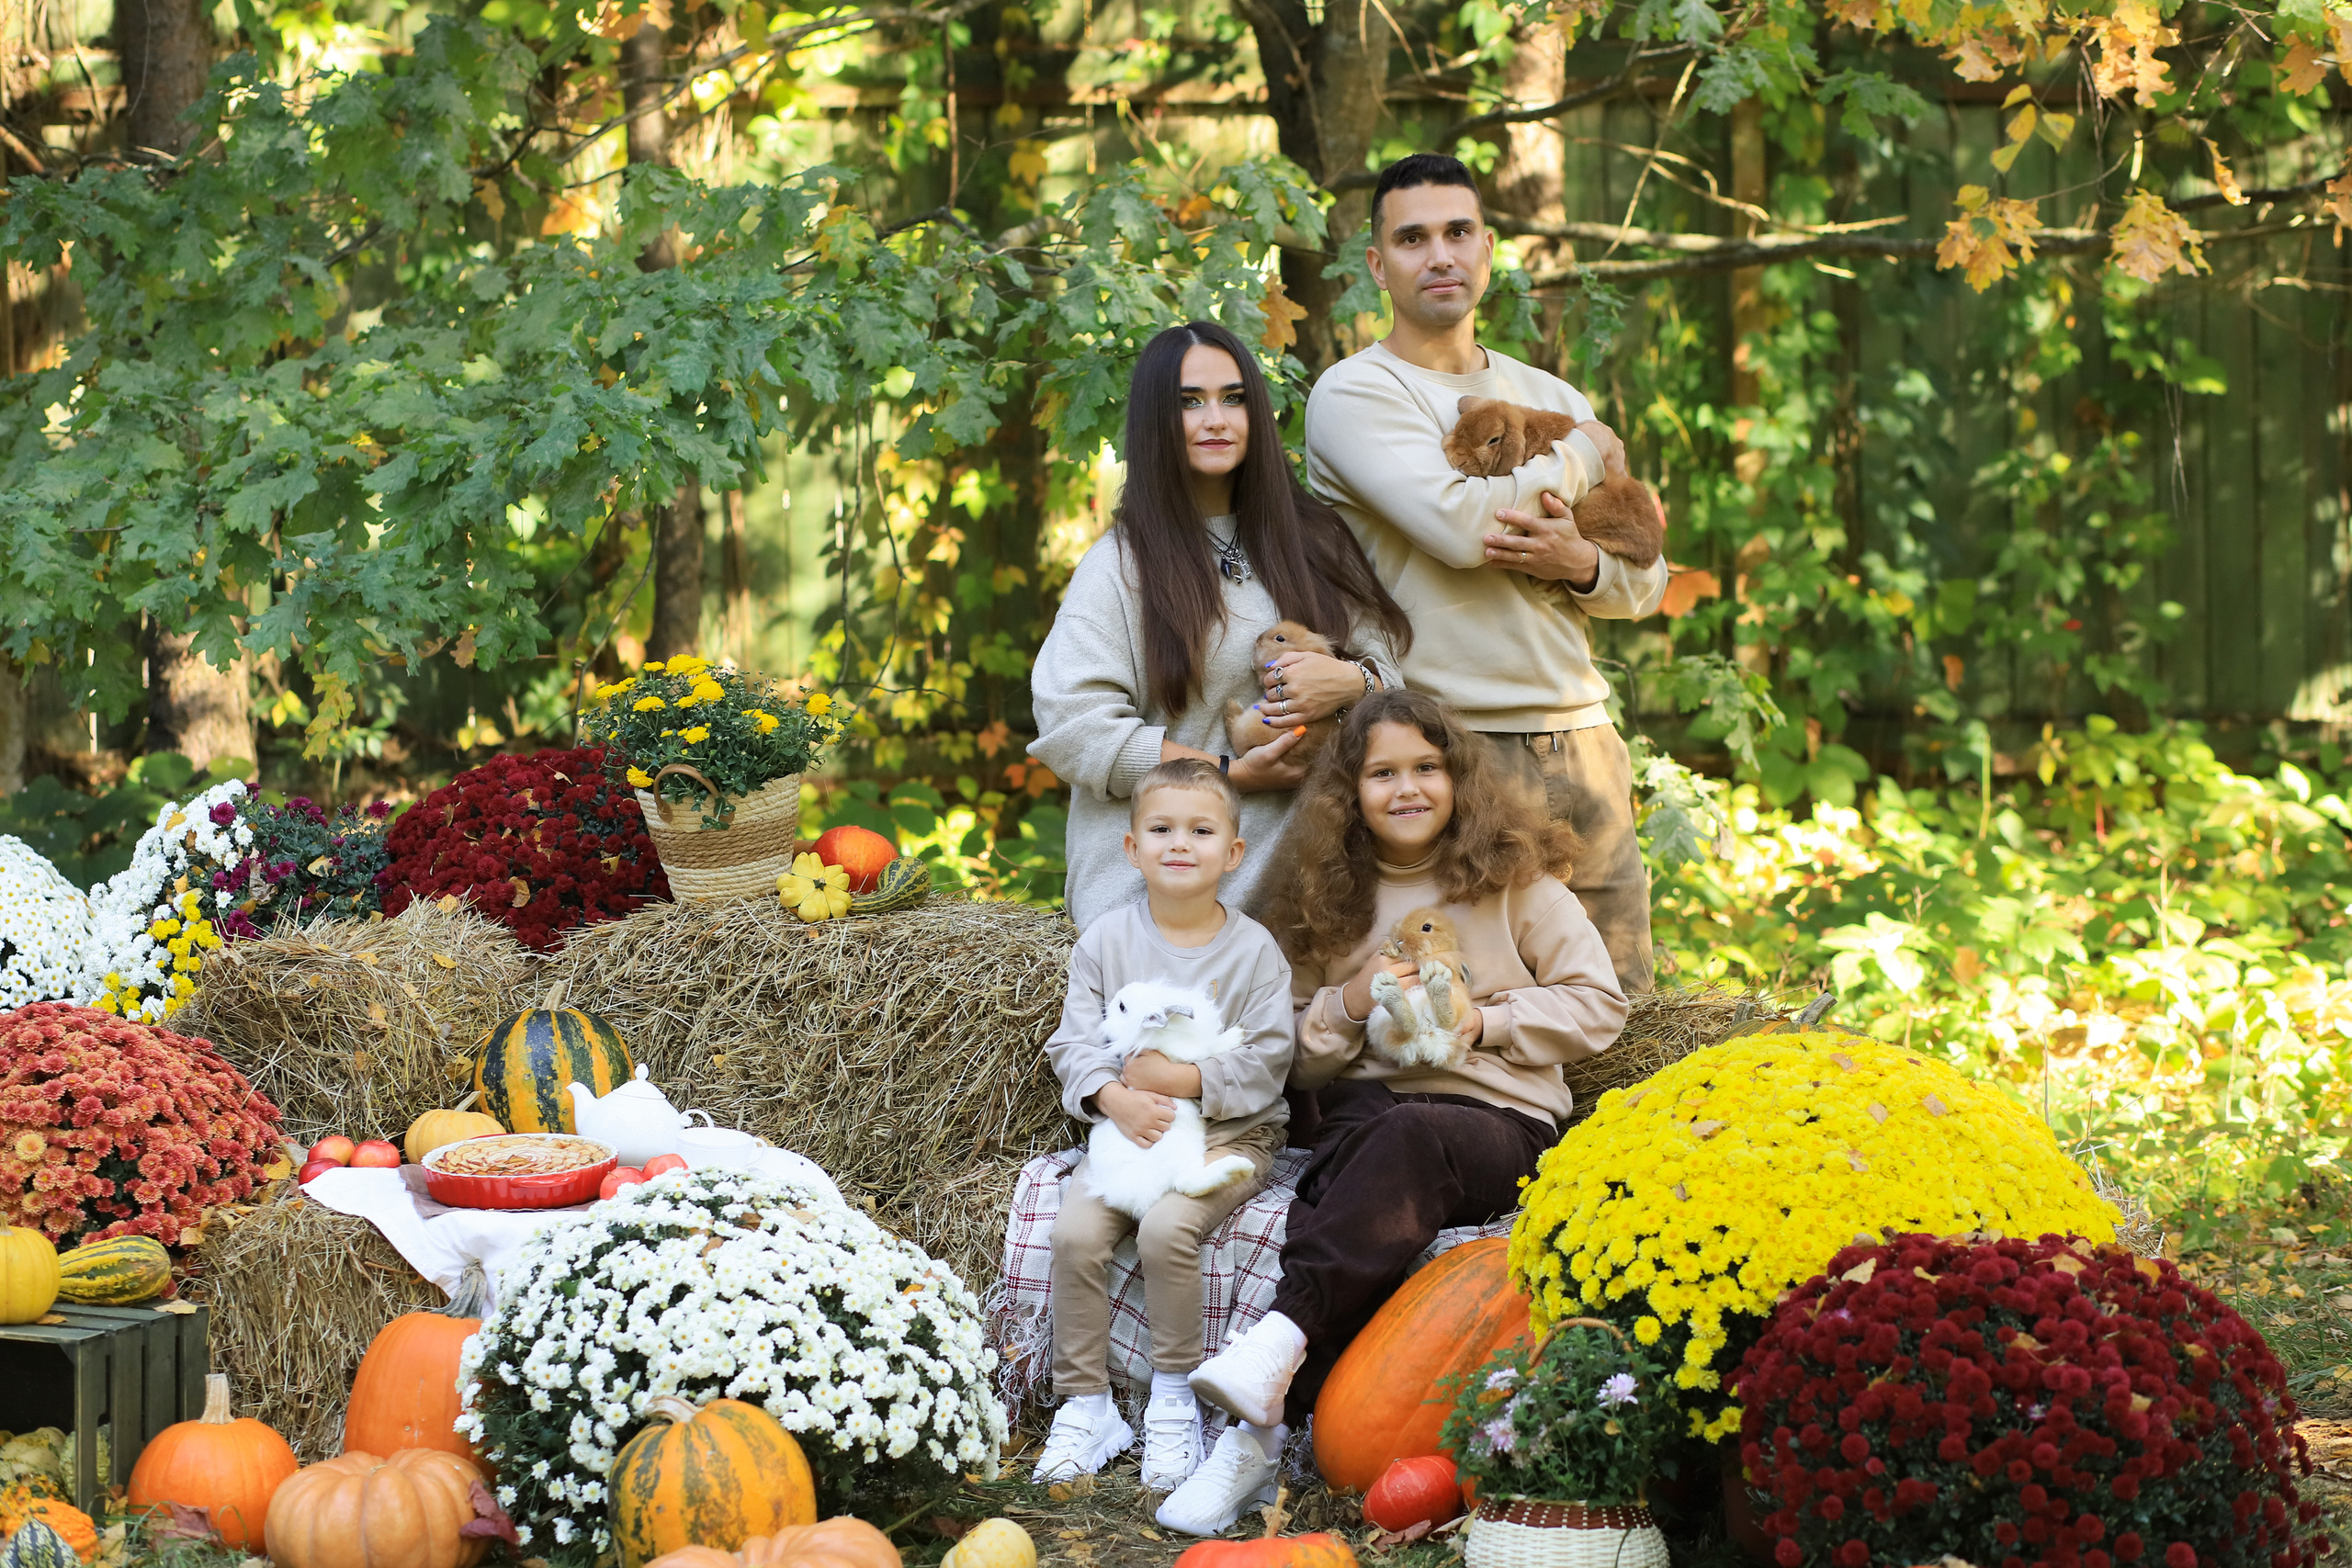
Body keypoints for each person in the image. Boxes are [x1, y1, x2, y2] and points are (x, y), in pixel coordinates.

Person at [1159, 691, 1629, 1529]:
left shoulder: (1518, 884)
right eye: (1383, 772)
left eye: (1426, 767)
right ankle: (1259, 1433)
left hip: (1496, 1123)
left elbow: (1600, 1006)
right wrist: (1340, 1004)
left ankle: (1269, 1367)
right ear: (1352, 791)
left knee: (1396, 1139)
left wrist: (1488, 1019)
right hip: (1364, 1117)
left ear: (1457, 779)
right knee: (1365, 1139)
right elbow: (1293, 1059)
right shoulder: (1326, 897)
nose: (1407, 787)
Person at [1304, 152, 1668, 993]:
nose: (1440, 256)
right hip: (1451, 746)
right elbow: (1463, 528)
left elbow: (1645, 574)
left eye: (1458, 232)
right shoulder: (1357, 395)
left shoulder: (1542, 386)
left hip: (1583, 738)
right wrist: (1579, 449)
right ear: (1376, 264)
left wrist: (1581, 567)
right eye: (1413, 238)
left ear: (1489, 249)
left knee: (1620, 1007)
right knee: (1479, 1012)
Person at [1031, 320, 1412, 931]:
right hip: (1166, 887)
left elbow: (1389, 671)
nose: (1217, 419)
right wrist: (1227, 773)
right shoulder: (1121, 565)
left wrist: (1351, 683)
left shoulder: (1312, 539)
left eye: (1234, 398)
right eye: (1190, 403)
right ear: (1157, 422)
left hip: (1311, 879)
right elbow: (1073, 727)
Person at [1035, 758, 1295, 1503]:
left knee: (1166, 1231)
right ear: (1131, 848)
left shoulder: (1253, 952)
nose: (1180, 843)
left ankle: (1173, 1396)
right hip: (1125, 1137)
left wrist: (1184, 1082)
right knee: (1077, 1233)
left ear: (1233, 852)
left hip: (1226, 1138)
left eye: (1201, 830)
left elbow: (1272, 1057)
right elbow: (1072, 1042)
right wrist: (1113, 1097)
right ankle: (1086, 1405)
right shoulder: (1106, 942)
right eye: (1162, 829)